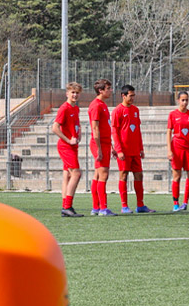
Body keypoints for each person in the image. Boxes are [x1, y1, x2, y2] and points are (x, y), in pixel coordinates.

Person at [111, 85, 153, 213]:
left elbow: (137, 130)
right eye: (131, 95)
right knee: (123, 175)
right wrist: (118, 150)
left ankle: (140, 205)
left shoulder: (135, 110)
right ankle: (124, 206)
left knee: (139, 175)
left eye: (134, 95)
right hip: (124, 150)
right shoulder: (118, 111)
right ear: (123, 96)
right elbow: (115, 131)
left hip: (135, 150)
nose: (133, 98)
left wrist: (141, 148)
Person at [52, 82, 84, 217]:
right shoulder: (64, 108)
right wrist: (68, 140)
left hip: (73, 146)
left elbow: (76, 125)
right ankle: (67, 206)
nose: (75, 95)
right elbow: (55, 128)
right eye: (72, 92)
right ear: (67, 94)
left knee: (68, 175)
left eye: (77, 93)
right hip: (66, 147)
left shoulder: (75, 109)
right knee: (77, 173)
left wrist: (79, 133)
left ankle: (65, 205)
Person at [166, 90, 189, 211]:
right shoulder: (173, 114)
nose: (185, 102)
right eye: (183, 100)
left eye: (186, 100)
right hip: (177, 149)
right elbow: (169, 132)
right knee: (177, 176)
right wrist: (169, 150)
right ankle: (176, 204)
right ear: (178, 100)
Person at [88, 79, 115, 216]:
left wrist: (111, 145)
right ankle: (103, 208)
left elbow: (105, 128)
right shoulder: (96, 106)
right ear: (101, 90)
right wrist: (99, 148)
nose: (111, 91)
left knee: (98, 175)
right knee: (103, 174)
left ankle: (96, 208)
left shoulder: (102, 105)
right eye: (108, 88)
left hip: (104, 143)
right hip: (99, 144)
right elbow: (95, 128)